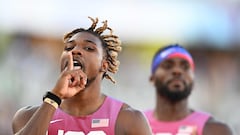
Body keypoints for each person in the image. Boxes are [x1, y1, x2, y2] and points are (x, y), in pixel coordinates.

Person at [12, 17, 152, 135]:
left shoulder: (129, 119)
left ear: (104, 65)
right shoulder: (27, 117)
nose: (75, 51)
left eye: (89, 48)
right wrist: (55, 96)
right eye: (69, 47)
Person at [144, 44, 233, 135]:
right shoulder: (135, 125)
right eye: (168, 66)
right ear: (152, 78)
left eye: (185, 67)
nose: (177, 71)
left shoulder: (215, 130)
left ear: (193, 81)